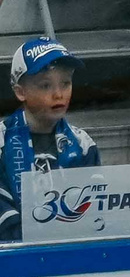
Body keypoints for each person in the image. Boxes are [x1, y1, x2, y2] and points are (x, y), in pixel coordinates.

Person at [2, 37, 99, 240]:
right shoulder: (1, 143)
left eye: (65, 83)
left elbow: (95, 212)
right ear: (20, 92)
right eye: (45, 86)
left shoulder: (83, 144)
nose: (58, 94)